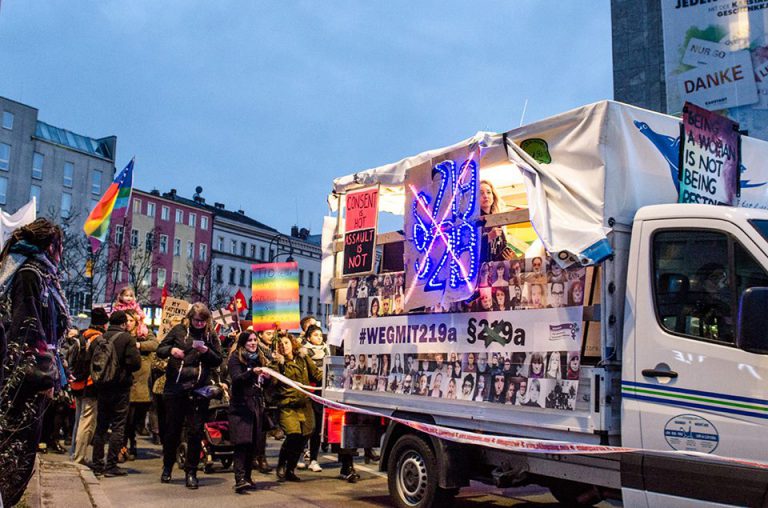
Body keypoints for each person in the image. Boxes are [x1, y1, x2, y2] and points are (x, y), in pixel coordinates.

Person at [0, 218, 70, 506]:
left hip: (28, 382)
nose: (63, 252)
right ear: (51, 245)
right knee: (15, 452)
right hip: (23, 385)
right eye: (61, 245)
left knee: (23, 451)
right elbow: (28, 330)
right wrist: (45, 376)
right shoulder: (30, 274)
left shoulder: (40, 274)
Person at [157, 302, 223, 489]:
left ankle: (191, 471)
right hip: (176, 388)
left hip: (199, 389)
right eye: (196, 320)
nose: (199, 324)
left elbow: (219, 359)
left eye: (203, 321)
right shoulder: (178, 330)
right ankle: (167, 466)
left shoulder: (211, 335)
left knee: (195, 432)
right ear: (189, 318)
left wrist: (206, 351)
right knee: (172, 431)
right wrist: (171, 351)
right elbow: (160, 349)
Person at [91, 311, 141, 477]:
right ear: (124, 323)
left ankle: (97, 463)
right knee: (118, 425)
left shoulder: (100, 338)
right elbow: (135, 363)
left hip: (102, 386)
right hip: (120, 387)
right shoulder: (127, 339)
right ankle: (111, 465)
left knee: (101, 425)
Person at [272, 332, 322, 482]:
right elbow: (273, 383)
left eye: (286, 343)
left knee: (305, 435)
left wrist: (330, 376)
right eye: (280, 344)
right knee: (293, 435)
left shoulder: (303, 358)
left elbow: (316, 375)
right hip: (288, 405)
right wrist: (277, 364)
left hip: (305, 404)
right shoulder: (277, 363)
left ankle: (290, 469)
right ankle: (282, 464)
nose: (284, 346)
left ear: (292, 343)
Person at [228, 331, 269, 492]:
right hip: (241, 406)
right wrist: (252, 372)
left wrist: (267, 378)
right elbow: (236, 379)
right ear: (243, 343)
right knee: (242, 442)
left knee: (253, 443)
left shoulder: (260, 358)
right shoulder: (235, 358)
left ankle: (248, 477)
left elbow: (265, 384)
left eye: (255, 340)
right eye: (250, 340)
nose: (253, 343)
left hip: (256, 404)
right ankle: (239, 478)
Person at [69, 308, 109, 465]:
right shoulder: (99, 340)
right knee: (86, 423)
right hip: (90, 385)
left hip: (77, 383)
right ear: (104, 324)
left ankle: (74, 453)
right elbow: (100, 366)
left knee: (78, 421)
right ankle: (79, 457)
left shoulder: (83, 335)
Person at [122, 309, 158, 461]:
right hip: (126, 381)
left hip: (142, 383)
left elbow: (154, 344)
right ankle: (125, 445)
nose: (129, 324)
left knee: (136, 418)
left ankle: (132, 441)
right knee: (126, 418)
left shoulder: (143, 333)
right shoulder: (122, 334)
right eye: (127, 321)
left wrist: (138, 345)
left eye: (131, 321)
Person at [301, 325, 329, 473]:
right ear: (308, 337)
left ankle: (314, 459)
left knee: (318, 428)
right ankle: (299, 455)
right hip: (308, 392)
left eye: (320, 335)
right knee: (307, 427)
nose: (319, 338)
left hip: (322, 393)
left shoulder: (327, 351)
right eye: (315, 335)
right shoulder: (303, 352)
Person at [479, 180, 514, 261]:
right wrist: (488, 237)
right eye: (481, 193)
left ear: (493, 196)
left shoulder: (498, 221)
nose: (485, 196)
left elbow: (500, 249)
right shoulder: (474, 221)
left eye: (488, 192)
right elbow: (470, 250)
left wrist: (506, 257)